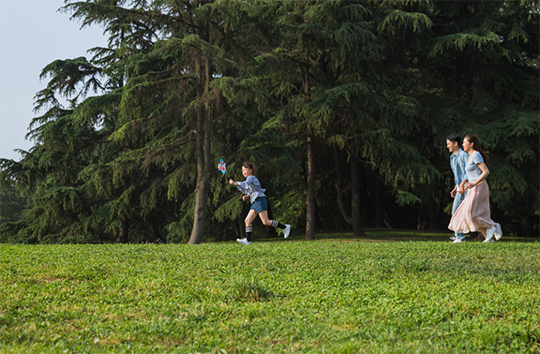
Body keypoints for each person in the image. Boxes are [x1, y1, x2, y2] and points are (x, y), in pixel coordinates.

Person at [448, 134, 503, 243]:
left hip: (479, 186)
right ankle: (489, 238)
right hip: (472, 187)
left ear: (471, 144)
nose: (463, 144)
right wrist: (462, 185)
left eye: (465, 142)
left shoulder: (476, 155)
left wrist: (474, 183)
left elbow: (486, 171)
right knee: (468, 214)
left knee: (471, 214)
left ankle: (494, 226)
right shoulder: (469, 156)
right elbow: (467, 175)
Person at [229, 161, 291, 245]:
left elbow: (245, 184)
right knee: (247, 220)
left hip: (260, 200)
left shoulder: (250, 178)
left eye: (245, 170)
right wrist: (247, 195)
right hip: (256, 201)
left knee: (266, 222)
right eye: (242, 171)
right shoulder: (251, 179)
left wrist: (234, 183)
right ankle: (248, 240)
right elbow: (252, 190)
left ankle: (285, 227)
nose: (243, 172)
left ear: (251, 170)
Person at [446, 133, 469, 243]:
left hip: (466, 188)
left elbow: (469, 172)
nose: (447, 146)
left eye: (448, 144)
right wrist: (456, 187)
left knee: (458, 212)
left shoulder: (464, 155)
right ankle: (459, 236)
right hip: (460, 188)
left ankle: (460, 237)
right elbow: (458, 175)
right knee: (457, 212)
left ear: (455, 143)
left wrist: (461, 186)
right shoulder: (452, 158)